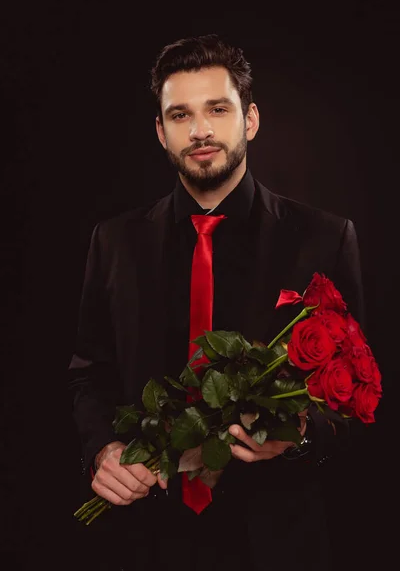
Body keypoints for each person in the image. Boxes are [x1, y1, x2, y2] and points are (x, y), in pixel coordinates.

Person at [68, 34, 366, 571]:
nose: (200, 130)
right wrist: (102, 452)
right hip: (142, 537)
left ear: (249, 120)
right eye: (179, 114)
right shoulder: (113, 242)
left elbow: (354, 395)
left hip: (277, 539)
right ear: (161, 132)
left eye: (217, 109)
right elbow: (90, 375)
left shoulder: (324, 238)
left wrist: (298, 437)